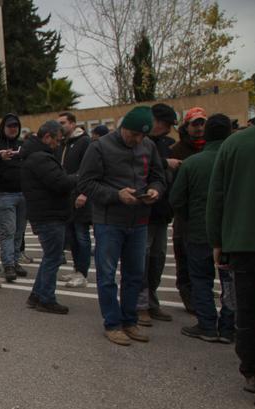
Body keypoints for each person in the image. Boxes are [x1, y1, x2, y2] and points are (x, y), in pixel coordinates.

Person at [206, 77, 255, 409]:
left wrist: (217, 240)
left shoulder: (236, 144)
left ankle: (252, 371)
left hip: (243, 240)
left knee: (247, 310)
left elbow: (216, 197)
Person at [78, 106, 167, 346]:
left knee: (135, 275)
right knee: (107, 275)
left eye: (142, 136)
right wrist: (117, 195)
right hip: (109, 222)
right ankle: (112, 324)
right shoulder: (99, 146)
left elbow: (159, 176)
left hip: (139, 221)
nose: (137, 140)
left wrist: (155, 190)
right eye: (134, 134)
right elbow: (86, 183)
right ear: (123, 127)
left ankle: (130, 321)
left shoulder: (148, 146)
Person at [170, 113, 234, 343]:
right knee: (229, 281)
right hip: (231, 233)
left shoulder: (193, 163)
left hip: (198, 231)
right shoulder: (235, 159)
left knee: (200, 279)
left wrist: (188, 218)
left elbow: (176, 199)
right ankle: (228, 327)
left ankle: (207, 324)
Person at [22, 120, 79, 314]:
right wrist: (79, 177)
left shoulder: (36, 155)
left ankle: (37, 295)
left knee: (51, 256)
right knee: (53, 257)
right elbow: (60, 182)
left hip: (46, 213)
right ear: (47, 137)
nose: (59, 144)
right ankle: (46, 298)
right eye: (57, 140)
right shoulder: (41, 158)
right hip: (49, 214)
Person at [136, 103, 179, 326]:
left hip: (161, 212)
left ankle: (152, 301)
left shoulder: (164, 144)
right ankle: (140, 305)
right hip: (143, 212)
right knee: (140, 261)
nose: (168, 130)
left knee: (157, 260)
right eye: (166, 124)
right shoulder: (139, 141)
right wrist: (165, 163)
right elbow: (138, 167)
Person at [170, 107, 208, 314]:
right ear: (187, 126)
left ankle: (203, 297)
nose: (200, 127)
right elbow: (174, 191)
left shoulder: (212, 148)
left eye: (202, 123)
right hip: (185, 216)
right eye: (195, 123)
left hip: (208, 214)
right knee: (184, 258)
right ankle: (188, 294)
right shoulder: (177, 151)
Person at [56, 111, 92, 288]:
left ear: (72, 124)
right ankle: (76, 268)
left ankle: (83, 273)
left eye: (63, 122)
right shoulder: (64, 144)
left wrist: (84, 193)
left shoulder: (84, 142)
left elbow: (88, 170)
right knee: (71, 235)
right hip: (66, 196)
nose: (60, 126)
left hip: (80, 196)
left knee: (81, 236)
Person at [0, 113, 28, 283]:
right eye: (10, 126)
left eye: (15, 126)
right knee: (8, 231)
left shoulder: (23, 145)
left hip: (23, 194)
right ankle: (8, 265)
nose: (13, 129)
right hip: (4, 194)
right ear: (3, 127)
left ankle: (15, 261)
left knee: (19, 232)